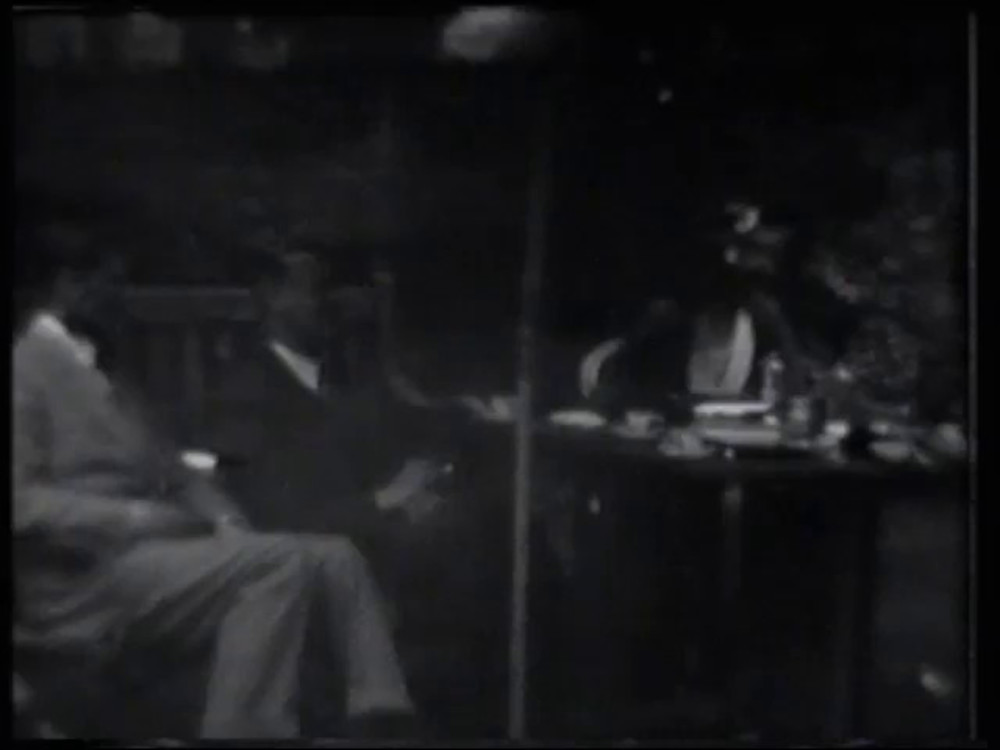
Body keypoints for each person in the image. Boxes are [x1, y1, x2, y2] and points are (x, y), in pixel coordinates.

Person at [12, 213, 417, 740]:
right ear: (70, 285)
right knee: (280, 566)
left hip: (150, 560)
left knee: (334, 554)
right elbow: (20, 503)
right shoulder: (24, 369)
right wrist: (134, 517)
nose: (122, 299)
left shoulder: (105, 371)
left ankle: (380, 713)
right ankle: (244, 732)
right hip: (83, 579)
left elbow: (175, 471)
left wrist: (230, 522)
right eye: (112, 284)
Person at [577, 202, 809, 413]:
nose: (738, 265)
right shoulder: (666, 321)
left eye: (751, 255)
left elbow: (794, 391)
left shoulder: (765, 320)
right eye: (725, 253)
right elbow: (622, 393)